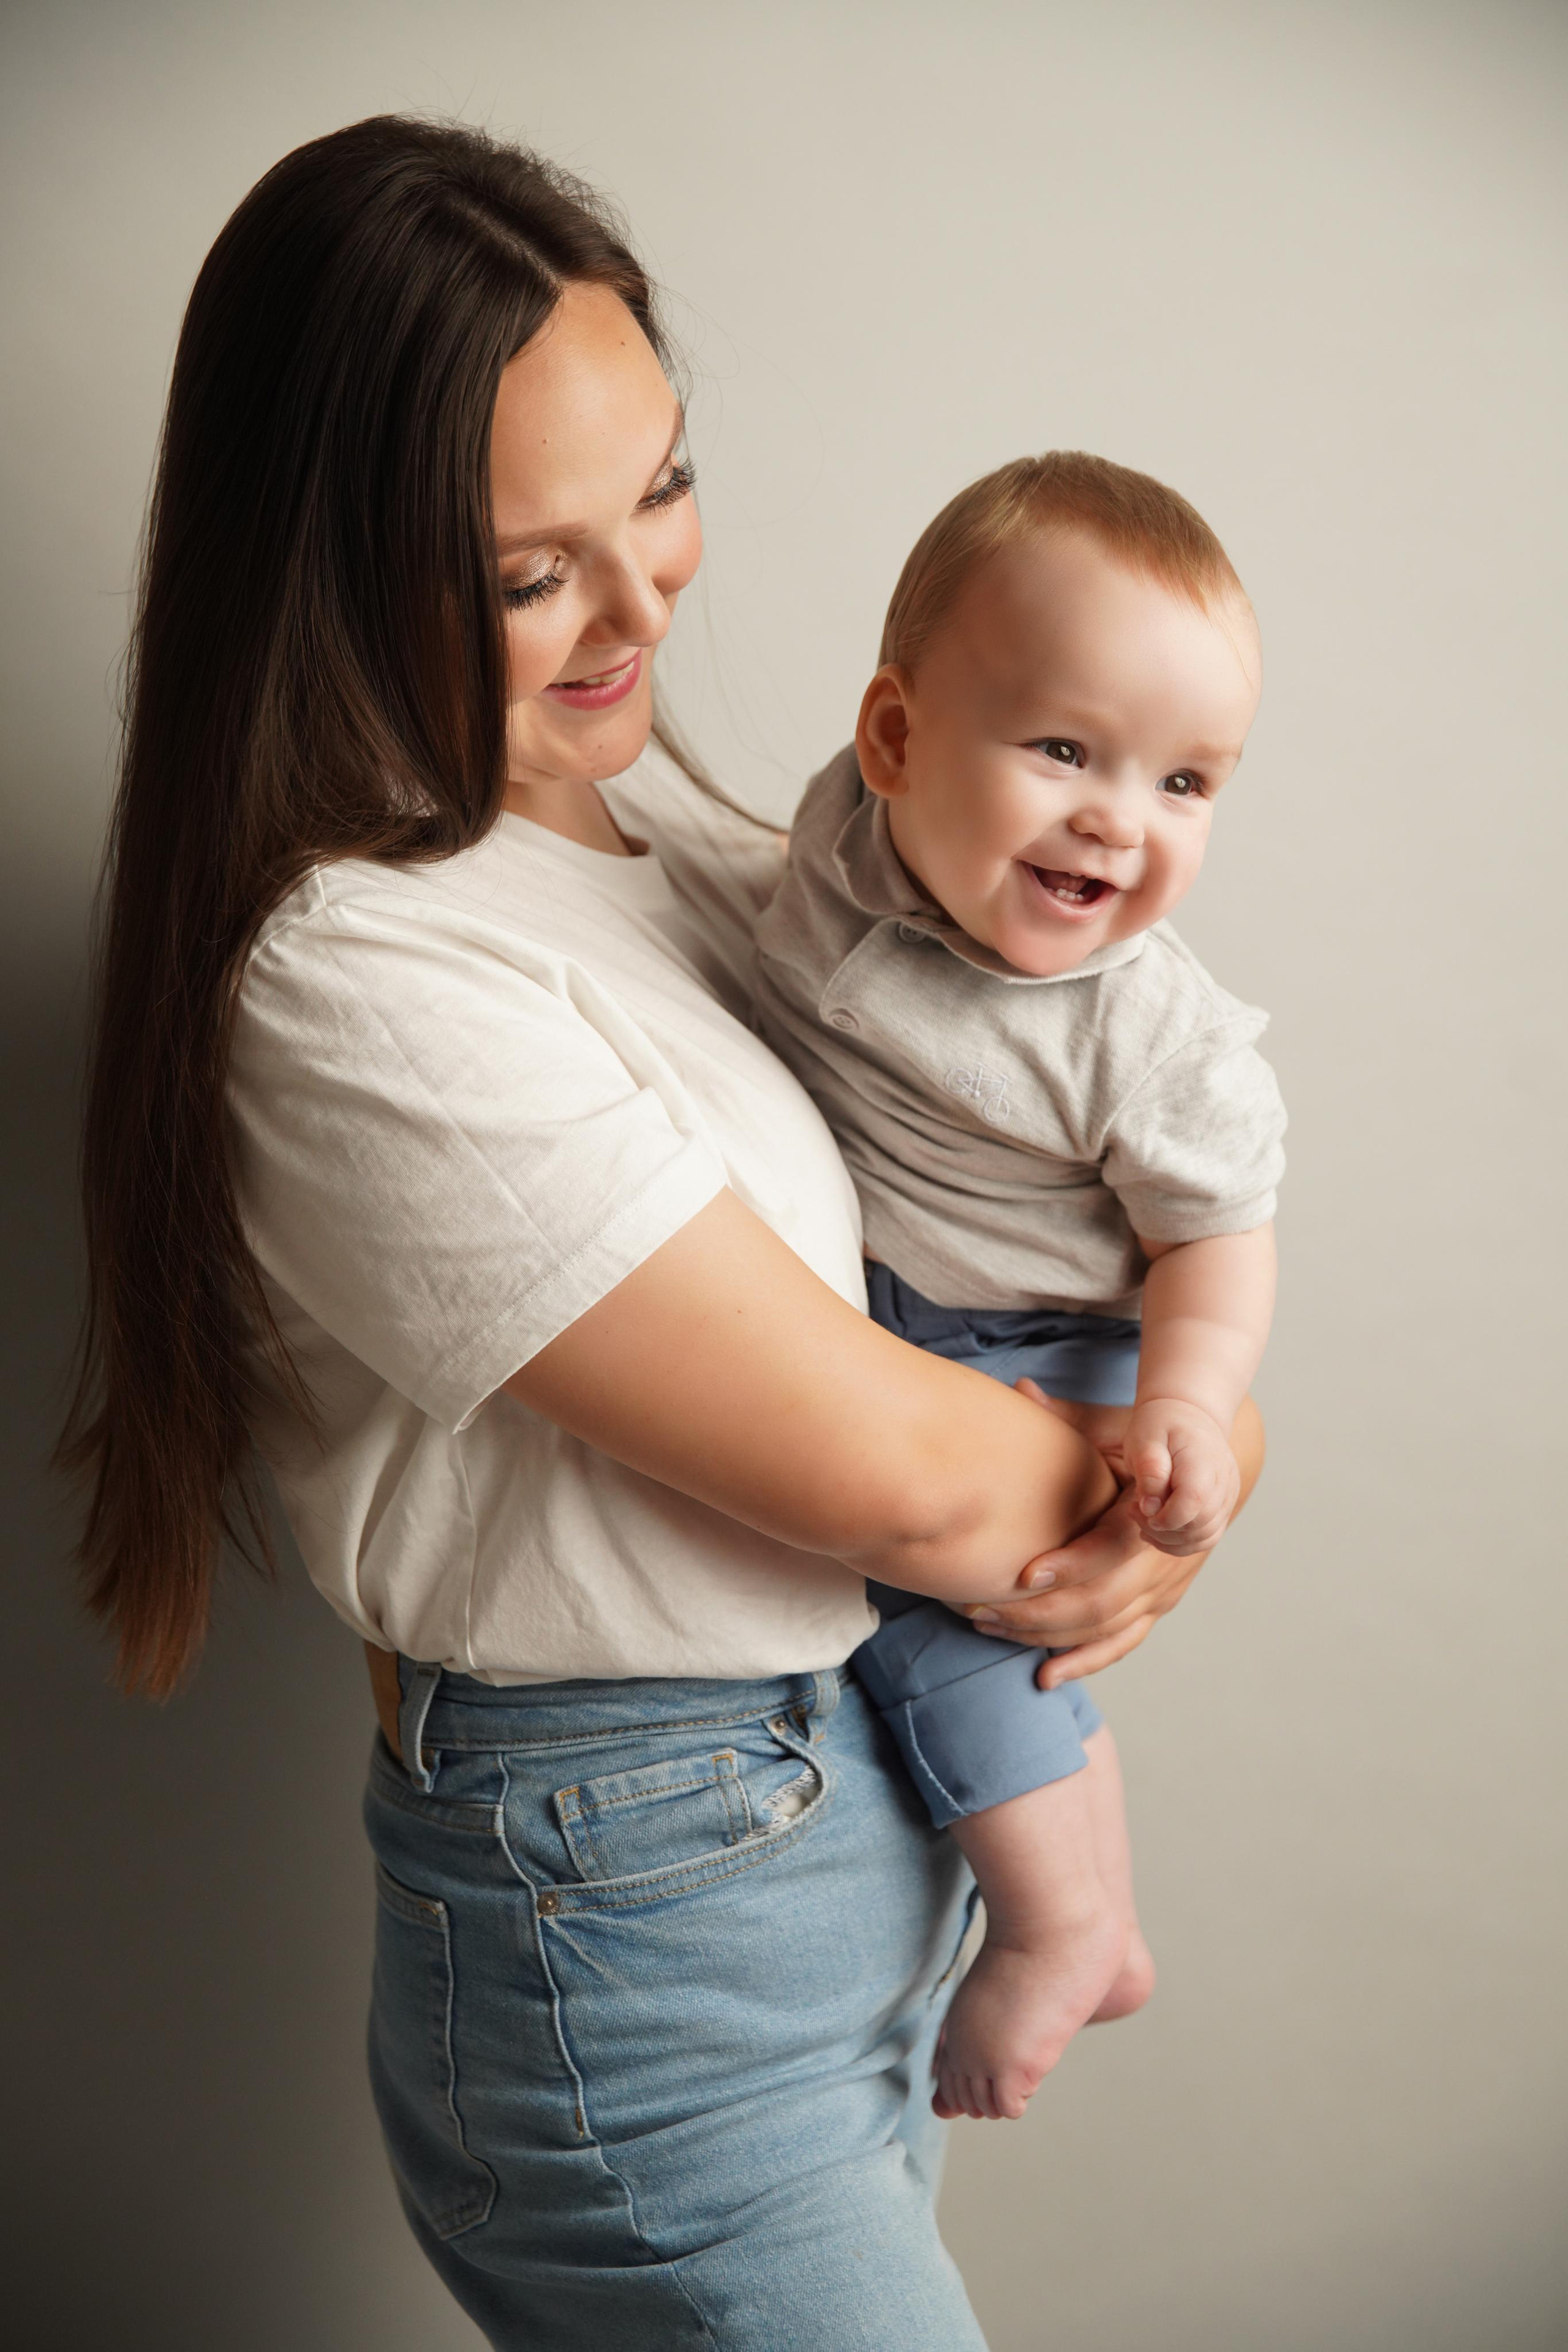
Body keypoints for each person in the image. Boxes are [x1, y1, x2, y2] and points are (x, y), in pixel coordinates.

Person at [59, 116, 1263, 2350]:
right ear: (328, 571)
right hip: (646, 1910)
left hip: (825, 1831)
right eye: (533, 571)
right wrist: (1169, 1482)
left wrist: (1199, 1430)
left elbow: (1081, 1201)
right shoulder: (358, 975)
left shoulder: (691, 852)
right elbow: (905, 1473)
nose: (646, 604)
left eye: (662, 491)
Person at [755, 453, 1284, 2124]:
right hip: (895, 1303)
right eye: (1065, 749)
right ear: (894, 744)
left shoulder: (1153, 1036)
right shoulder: (842, 840)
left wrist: (1190, 1411)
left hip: (1032, 1343)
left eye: (1188, 783)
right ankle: (1094, 1919)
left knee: (956, 1641)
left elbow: (1219, 1239)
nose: (1122, 820)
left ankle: (1061, 1931)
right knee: (967, 1642)